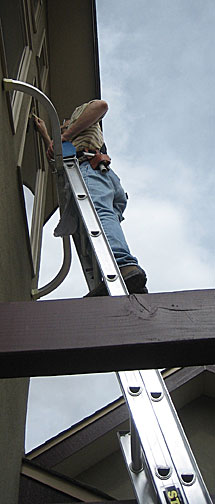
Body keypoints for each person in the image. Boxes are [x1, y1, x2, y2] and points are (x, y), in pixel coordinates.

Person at [34, 100, 147, 295]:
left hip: (91, 168)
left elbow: (101, 106)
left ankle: (124, 267)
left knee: (99, 216)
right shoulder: (74, 135)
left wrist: (65, 135)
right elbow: (56, 155)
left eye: (63, 125)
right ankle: (129, 282)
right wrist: (45, 134)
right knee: (102, 222)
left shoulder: (80, 115)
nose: (60, 128)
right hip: (102, 174)